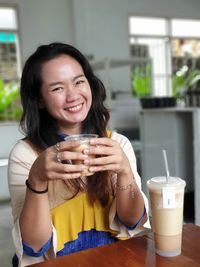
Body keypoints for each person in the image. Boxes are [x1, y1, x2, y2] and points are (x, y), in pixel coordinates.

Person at [8, 42, 150, 267]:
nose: (73, 95)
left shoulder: (117, 143)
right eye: (57, 88)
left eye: (78, 81)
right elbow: (34, 247)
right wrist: (37, 179)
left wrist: (124, 171)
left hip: (114, 259)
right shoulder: (26, 154)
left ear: (90, 84)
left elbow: (133, 221)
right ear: (39, 100)